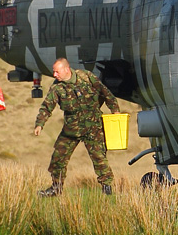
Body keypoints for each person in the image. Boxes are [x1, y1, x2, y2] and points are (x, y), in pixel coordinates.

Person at [34, 58, 120, 196]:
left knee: (99, 158)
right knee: (58, 158)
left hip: (93, 127)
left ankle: (107, 188)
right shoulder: (57, 87)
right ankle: (56, 188)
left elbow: (105, 92)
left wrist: (115, 110)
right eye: (54, 72)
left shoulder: (86, 77)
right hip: (71, 129)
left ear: (66, 69)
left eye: (57, 72)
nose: (54, 75)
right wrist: (39, 124)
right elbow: (47, 106)